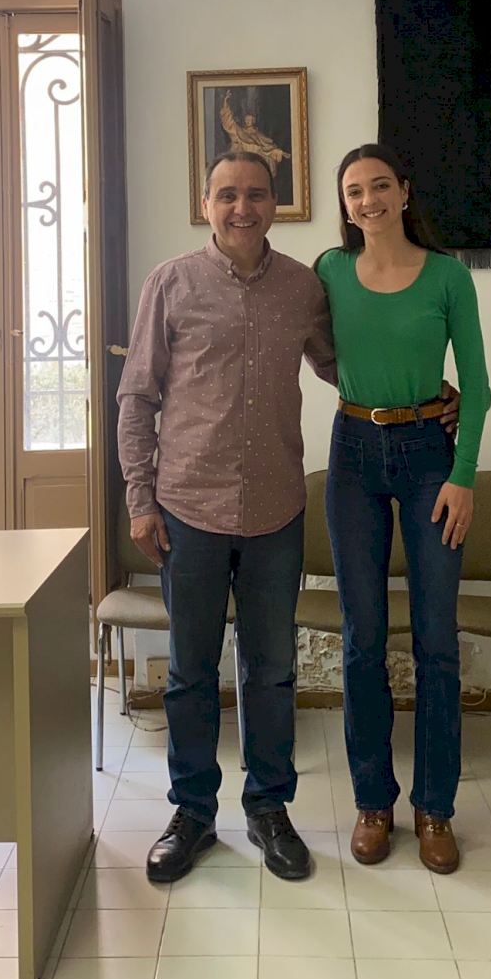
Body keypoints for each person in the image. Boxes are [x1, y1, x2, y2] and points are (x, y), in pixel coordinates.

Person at [116, 150, 336, 884]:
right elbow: (137, 396)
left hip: (275, 510)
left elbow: (341, 365)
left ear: (276, 203)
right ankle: (193, 814)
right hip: (189, 510)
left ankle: (269, 808)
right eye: (228, 194)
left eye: (257, 194)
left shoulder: (303, 288)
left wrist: (421, 382)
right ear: (205, 203)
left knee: (272, 671)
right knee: (189, 673)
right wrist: (140, 500)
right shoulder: (171, 283)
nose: (243, 207)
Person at [316, 143, 491, 874]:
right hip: (353, 450)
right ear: (346, 203)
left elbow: (476, 386)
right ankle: (372, 802)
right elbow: (311, 345)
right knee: (362, 637)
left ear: (405, 190)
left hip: (429, 457)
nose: (369, 200)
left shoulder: (448, 275)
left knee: (435, 640)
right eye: (355, 190)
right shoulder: (329, 270)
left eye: (380, 185)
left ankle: (434, 807)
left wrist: (462, 475)